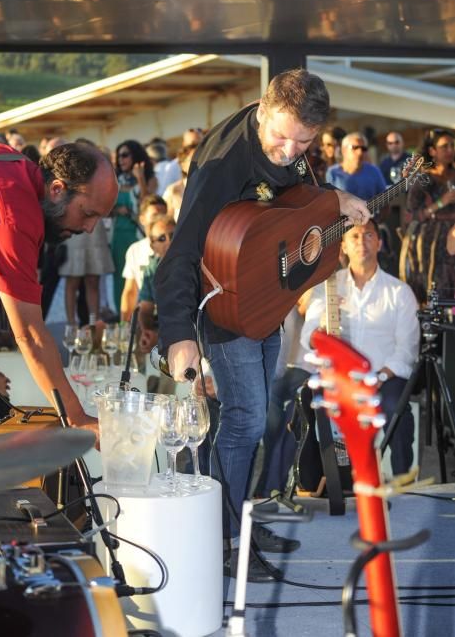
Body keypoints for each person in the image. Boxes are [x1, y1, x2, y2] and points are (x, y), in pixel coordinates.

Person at [154, 68, 371, 582]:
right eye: (280, 136)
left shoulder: (293, 147)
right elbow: (179, 253)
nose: (288, 151)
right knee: (246, 420)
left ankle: (240, 521)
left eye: (304, 141)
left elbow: (293, 208)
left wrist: (335, 200)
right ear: (262, 107)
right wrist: (178, 334)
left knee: (255, 418)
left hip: (266, 298)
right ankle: (226, 541)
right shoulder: (223, 161)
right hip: (224, 303)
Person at [0, 141, 118, 433]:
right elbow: (31, 336)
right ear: (57, 189)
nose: (89, 229)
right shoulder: (16, 216)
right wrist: (78, 418)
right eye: (87, 214)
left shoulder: (11, 162)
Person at [301, 219, 420, 476]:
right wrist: (323, 324)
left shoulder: (400, 292)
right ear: (343, 246)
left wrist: (377, 378)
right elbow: (307, 337)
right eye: (354, 236)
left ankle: (404, 486)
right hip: (338, 379)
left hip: (383, 378)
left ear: (379, 242)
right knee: (307, 404)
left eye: (368, 235)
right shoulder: (329, 287)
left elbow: (407, 351)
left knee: (397, 408)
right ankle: (318, 480)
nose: (361, 242)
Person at [402, 128, 455, 303]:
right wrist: (442, 202)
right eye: (444, 146)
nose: (450, 150)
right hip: (431, 241)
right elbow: (412, 215)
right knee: (436, 287)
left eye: (452, 145)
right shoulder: (423, 179)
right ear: (432, 151)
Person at [111, 140, 155, 313]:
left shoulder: (149, 178)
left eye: (125, 155)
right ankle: (122, 316)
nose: (121, 159)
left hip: (137, 234)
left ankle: (142, 315)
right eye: (119, 156)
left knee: (140, 276)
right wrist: (115, 210)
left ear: (135, 156)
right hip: (118, 235)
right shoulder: (114, 179)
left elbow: (147, 203)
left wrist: (141, 179)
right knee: (120, 278)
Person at [119, 194, 168, 322]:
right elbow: (130, 291)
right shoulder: (135, 250)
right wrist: (124, 325)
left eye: (163, 215)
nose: (160, 220)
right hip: (146, 315)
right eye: (155, 215)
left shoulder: (177, 247)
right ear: (142, 219)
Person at [138, 214, 176, 355]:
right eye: (161, 238)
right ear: (152, 246)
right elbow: (146, 309)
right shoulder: (152, 268)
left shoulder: (194, 265)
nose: (169, 241)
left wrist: (160, 337)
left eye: (173, 235)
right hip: (165, 331)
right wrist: (147, 333)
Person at [326, 131, 387, 200]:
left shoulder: (374, 171)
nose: (360, 152)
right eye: (355, 147)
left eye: (363, 149)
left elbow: (385, 201)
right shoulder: (332, 172)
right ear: (344, 150)